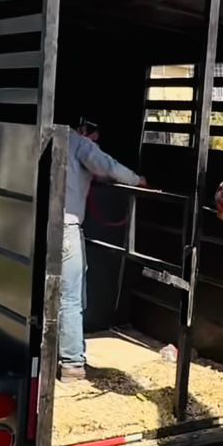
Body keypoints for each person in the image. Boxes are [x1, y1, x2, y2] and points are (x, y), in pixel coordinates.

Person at [59, 119, 146, 382]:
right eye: (94, 138)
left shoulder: (46, 137)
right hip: (66, 227)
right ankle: (72, 363)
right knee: (71, 298)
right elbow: (107, 166)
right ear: (84, 130)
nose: (94, 143)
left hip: (36, 225)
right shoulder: (78, 143)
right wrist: (137, 180)